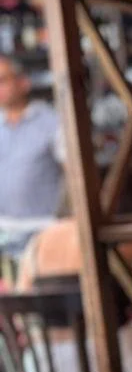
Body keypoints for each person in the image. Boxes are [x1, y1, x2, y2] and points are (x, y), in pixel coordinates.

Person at [0, 56, 63, 271]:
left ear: (22, 82)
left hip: (43, 230)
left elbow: (74, 175)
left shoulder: (52, 122)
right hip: (4, 232)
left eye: (2, 80)